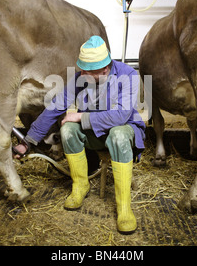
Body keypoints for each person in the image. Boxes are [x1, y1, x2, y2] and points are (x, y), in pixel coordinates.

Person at [14, 35, 145, 234]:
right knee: (67, 129)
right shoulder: (81, 78)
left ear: (105, 69)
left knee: (117, 134)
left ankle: (124, 207)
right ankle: (80, 186)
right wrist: (28, 141)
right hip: (95, 133)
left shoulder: (128, 75)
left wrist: (81, 117)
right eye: (81, 68)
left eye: (87, 71)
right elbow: (55, 107)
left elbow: (121, 115)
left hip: (122, 133)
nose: (81, 73)